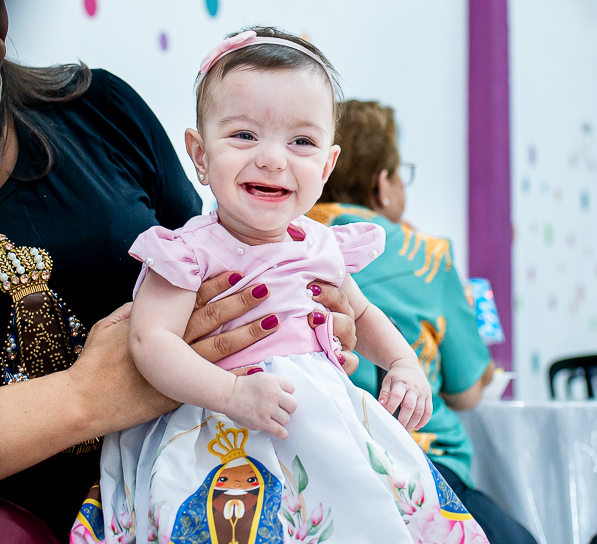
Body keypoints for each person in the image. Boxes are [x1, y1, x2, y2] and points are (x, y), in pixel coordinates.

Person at [0, 0, 362, 539]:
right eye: (244, 135)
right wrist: (83, 398)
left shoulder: (100, 110)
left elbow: (229, 251)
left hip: (239, 455)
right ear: (200, 153)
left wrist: (326, 325)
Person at [83, 28, 490, 544]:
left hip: (319, 427)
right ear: (200, 154)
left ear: (327, 165)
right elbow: (150, 341)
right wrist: (230, 392)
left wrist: (403, 363)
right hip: (218, 426)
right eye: (244, 136)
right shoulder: (188, 251)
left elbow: (360, 315)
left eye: (301, 141)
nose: (273, 158)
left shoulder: (322, 245)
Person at [309, 100, 538, 544]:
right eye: (399, 172)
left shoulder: (287, 238)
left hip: (319, 459)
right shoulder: (427, 257)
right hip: (423, 463)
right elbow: (468, 393)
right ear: (383, 185)